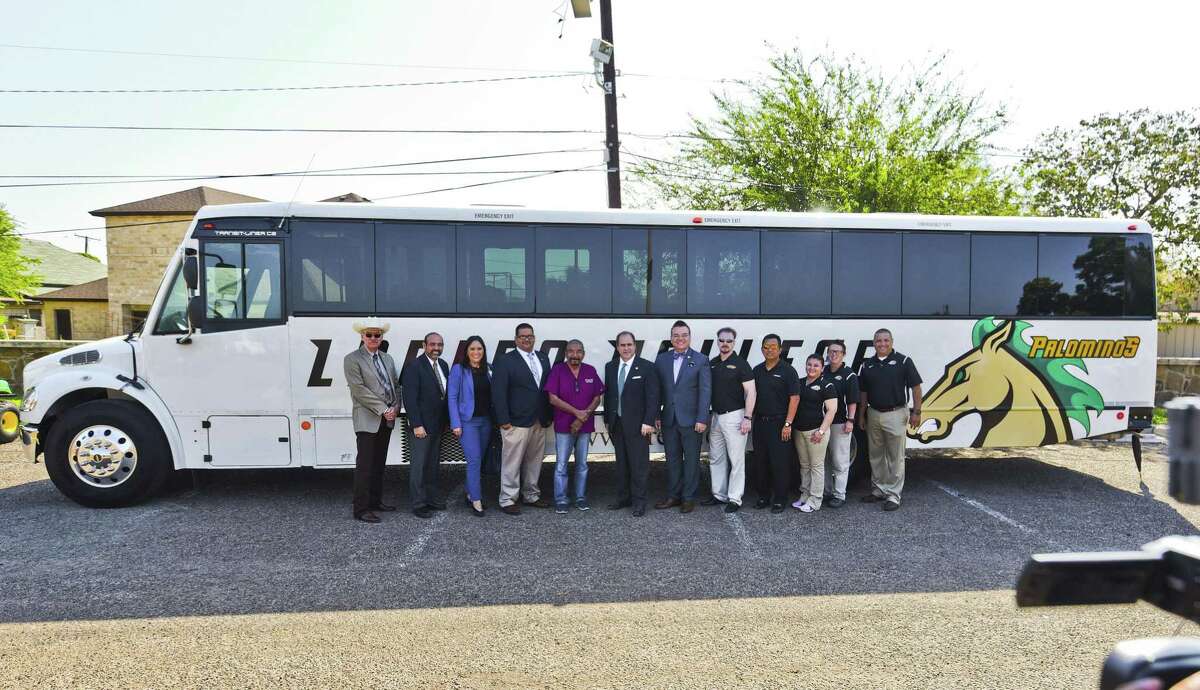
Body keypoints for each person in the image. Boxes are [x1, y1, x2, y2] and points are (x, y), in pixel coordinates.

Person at [857, 328, 923, 512]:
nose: (882, 344)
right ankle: (879, 490)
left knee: (896, 457)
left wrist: (917, 412)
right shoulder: (867, 365)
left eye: (886, 340)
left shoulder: (903, 361)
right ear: (874, 343)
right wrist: (862, 414)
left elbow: (916, 387)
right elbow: (863, 392)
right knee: (876, 455)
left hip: (896, 413)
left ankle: (894, 495)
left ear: (892, 342)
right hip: (874, 413)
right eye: (878, 341)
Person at [492, 322, 553, 515]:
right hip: (515, 421)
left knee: (534, 461)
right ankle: (507, 499)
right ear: (516, 340)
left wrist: (548, 415)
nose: (527, 339)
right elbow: (498, 392)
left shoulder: (543, 358)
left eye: (530, 336)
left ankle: (531, 495)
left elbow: (546, 390)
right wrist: (503, 419)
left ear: (534, 338)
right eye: (523, 336)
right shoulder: (505, 360)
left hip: (539, 420)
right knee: (512, 462)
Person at [343, 318, 399, 524]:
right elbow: (359, 390)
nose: (374, 338)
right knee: (365, 465)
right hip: (368, 419)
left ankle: (375, 501)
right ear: (362, 337)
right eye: (369, 335)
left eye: (377, 335)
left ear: (382, 337)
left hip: (387, 418)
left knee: (378, 464)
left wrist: (395, 408)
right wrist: (383, 409)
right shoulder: (352, 359)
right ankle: (361, 509)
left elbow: (395, 386)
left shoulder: (387, 358)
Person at [654, 320, 712, 514]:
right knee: (672, 459)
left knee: (692, 460)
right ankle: (674, 496)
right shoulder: (662, 359)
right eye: (676, 335)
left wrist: (702, 418)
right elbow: (657, 390)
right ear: (671, 338)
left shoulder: (701, 359)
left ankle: (688, 498)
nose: (680, 339)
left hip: (692, 420)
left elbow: (705, 391)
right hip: (669, 418)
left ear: (690, 337)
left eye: (684, 335)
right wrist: (656, 414)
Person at [544, 339, 605, 514]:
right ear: (566, 353)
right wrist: (576, 413)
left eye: (578, 351)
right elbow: (552, 398)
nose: (574, 355)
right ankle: (561, 499)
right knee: (561, 465)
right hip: (564, 426)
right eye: (571, 351)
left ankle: (580, 497)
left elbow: (597, 397)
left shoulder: (590, 370)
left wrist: (582, 417)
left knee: (582, 464)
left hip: (584, 426)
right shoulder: (557, 371)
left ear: (583, 354)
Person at [603, 331, 660, 517]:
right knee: (621, 464)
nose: (626, 348)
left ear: (635, 346)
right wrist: (607, 420)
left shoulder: (647, 367)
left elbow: (653, 398)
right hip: (617, 424)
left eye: (629, 345)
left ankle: (639, 502)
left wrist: (648, 421)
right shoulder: (610, 367)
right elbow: (610, 395)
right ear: (617, 347)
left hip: (639, 426)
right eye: (622, 345)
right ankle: (623, 498)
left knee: (638, 465)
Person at [706, 326, 755, 513]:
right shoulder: (712, 363)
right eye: (721, 340)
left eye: (729, 341)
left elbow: (751, 391)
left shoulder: (741, 364)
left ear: (734, 343)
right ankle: (719, 494)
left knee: (736, 460)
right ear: (717, 342)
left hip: (735, 416)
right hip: (716, 417)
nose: (725, 344)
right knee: (716, 458)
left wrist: (747, 417)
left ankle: (735, 498)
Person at [402, 332, 450, 519]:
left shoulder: (444, 365)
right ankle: (418, 503)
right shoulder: (414, 366)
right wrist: (416, 424)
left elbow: (443, 395)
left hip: (438, 425)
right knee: (419, 466)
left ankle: (431, 498)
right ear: (424, 345)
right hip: (421, 426)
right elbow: (410, 398)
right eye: (432, 344)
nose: (436, 348)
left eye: (439, 344)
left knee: (432, 465)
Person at [751, 334, 801, 513]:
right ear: (762, 349)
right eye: (766, 346)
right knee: (760, 462)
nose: (769, 349)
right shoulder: (756, 370)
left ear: (780, 350)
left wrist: (788, 424)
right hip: (760, 423)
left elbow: (794, 399)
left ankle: (780, 499)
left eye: (773, 346)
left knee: (780, 463)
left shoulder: (788, 371)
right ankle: (763, 496)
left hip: (780, 424)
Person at [448, 335, 492, 517]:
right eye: (472, 349)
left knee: (479, 460)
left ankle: (469, 491)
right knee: (474, 460)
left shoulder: (489, 369)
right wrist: (455, 423)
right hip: (468, 423)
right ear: (467, 352)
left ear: (484, 351)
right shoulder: (459, 370)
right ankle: (476, 499)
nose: (476, 352)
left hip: (486, 422)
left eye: (479, 349)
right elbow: (452, 397)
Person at [791, 354, 838, 513]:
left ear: (822, 368)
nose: (812, 368)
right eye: (809, 364)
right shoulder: (799, 382)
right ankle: (805, 495)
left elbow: (832, 410)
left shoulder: (827, 385)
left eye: (816, 365)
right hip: (799, 430)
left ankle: (815, 500)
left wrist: (821, 431)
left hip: (816, 432)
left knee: (816, 466)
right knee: (804, 466)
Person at [822, 341, 859, 508]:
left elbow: (852, 400)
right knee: (824, 460)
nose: (833, 354)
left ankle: (839, 494)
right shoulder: (823, 372)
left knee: (840, 460)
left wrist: (850, 420)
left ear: (843, 354)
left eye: (837, 352)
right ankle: (826, 491)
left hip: (840, 423)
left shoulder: (849, 375)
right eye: (831, 352)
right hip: (823, 423)